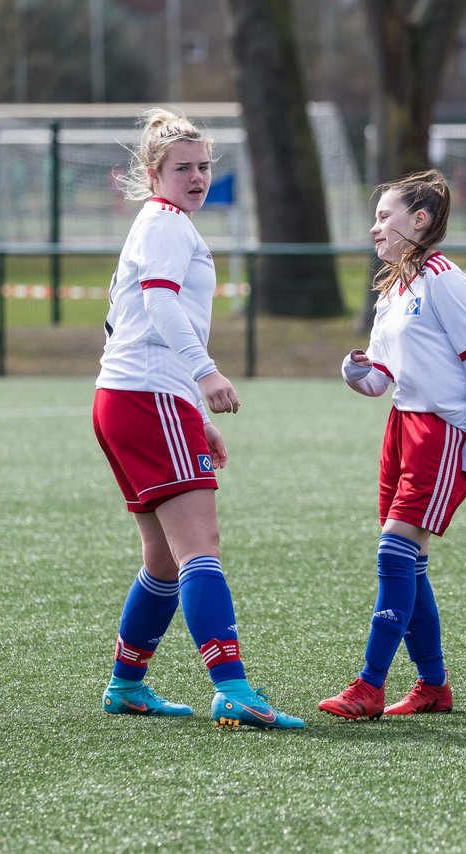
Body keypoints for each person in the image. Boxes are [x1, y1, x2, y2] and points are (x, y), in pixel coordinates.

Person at [92, 107, 304, 730]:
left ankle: (126, 684)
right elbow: (157, 300)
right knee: (198, 549)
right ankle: (232, 687)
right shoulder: (166, 224)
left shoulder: (157, 222)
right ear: (154, 173)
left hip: (128, 398)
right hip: (146, 397)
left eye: (204, 165)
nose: (197, 176)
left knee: (162, 558)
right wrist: (203, 374)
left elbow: (122, 322)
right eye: (182, 166)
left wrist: (188, 404)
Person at [319, 169, 466, 720]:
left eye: (384, 217)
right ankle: (433, 687)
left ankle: (369, 686)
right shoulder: (393, 289)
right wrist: (354, 372)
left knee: (394, 552)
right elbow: (380, 380)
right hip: (401, 429)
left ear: (419, 221)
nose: (375, 228)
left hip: (442, 433)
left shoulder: (444, 279)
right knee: (408, 561)